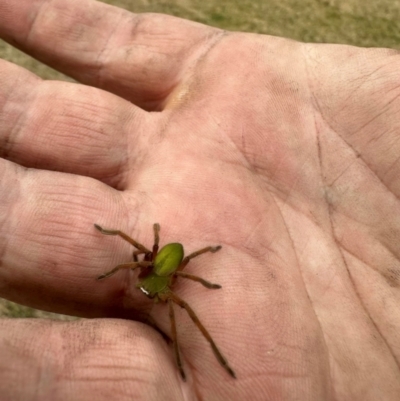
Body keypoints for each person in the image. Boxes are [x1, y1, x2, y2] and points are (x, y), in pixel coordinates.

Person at [1, 0, 400, 400]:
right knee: (146, 258)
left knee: (185, 310)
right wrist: (110, 261)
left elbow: (173, 276)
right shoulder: (147, 262)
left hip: (176, 259)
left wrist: (202, 265)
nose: (152, 290)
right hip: (166, 256)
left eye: (154, 284)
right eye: (152, 281)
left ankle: (217, 352)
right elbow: (133, 249)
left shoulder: (174, 280)